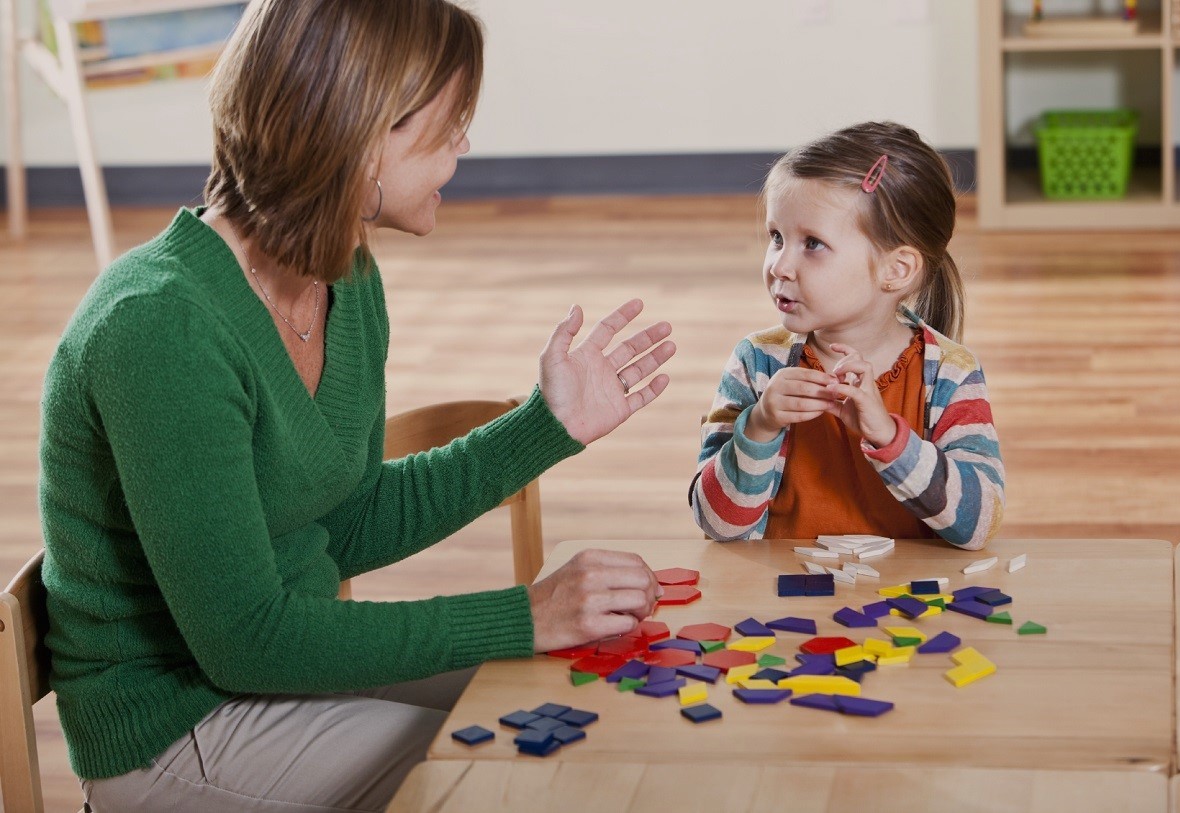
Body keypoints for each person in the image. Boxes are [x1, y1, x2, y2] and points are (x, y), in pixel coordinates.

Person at [38, 1, 675, 810]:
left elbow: (346, 520)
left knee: (596, 698)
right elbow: (246, 640)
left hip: (284, 671)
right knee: (517, 774)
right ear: (363, 137)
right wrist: (524, 613)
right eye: (448, 131)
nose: (465, 149)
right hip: (177, 728)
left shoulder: (346, 277)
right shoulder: (160, 327)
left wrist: (543, 429)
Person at [690, 122, 1003, 550]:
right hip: (779, 598)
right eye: (777, 237)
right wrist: (758, 426)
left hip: (907, 602)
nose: (780, 265)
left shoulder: (952, 373)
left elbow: (978, 525)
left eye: (813, 244)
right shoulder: (755, 362)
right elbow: (716, 525)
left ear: (897, 270)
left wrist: (891, 440)